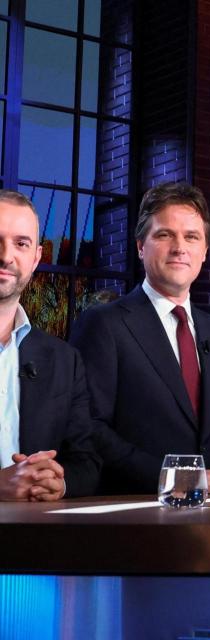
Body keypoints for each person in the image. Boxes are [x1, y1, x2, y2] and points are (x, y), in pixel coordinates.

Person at [70, 182, 210, 495]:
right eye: (164, 234)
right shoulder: (104, 324)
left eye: (191, 237)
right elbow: (88, 428)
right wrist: (174, 478)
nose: (179, 247)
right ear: (141, 245)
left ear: (205, 251)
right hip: (132, 513)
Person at [0, 189, 99, 501]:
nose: (6, 255)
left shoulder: (64, 361)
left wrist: (59, 483)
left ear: (36, 258)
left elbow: (87, 462)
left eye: (21, 243)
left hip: (39, 543)